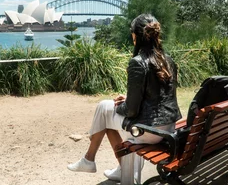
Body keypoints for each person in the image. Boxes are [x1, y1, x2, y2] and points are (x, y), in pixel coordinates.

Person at [67, 14, 182, 182]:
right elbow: (160, 97)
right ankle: (106, 164)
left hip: (149, 130)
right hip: (168, 127)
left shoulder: (138, 62)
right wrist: (129, 98)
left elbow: (131, 110)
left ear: (135, 36)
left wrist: (122, 105)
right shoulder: (168, 60)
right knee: (105, 110)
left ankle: (89, 159)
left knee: (104, 108)